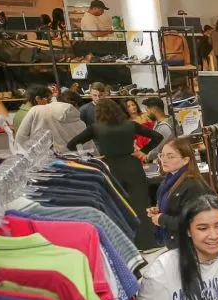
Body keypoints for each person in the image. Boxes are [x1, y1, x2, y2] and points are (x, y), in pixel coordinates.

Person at [66, 99, 161, 249]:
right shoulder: (130, 125)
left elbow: (71, 144)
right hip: (133, 167)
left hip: (110, 169)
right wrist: (143, 152)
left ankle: (125, 246)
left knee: (118, 208)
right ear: (118, 110)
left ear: (98, 113)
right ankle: (148, 243)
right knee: (141, 206)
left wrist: (91, 158)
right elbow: (157, 136)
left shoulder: (95, 128)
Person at [148, 136, 213, 248]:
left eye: (170, 156)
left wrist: (162, 219)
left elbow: (195, 222)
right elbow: (175, 207)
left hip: (193, 246)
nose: (164, 159)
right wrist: (159, 210)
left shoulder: (193, 186)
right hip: (177, 242)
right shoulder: (168, 181)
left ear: (185, 160)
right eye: (162, 155)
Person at [15, 87, 86, 152]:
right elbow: (87, 147)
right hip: (69, 161)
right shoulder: (79, 122)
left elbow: (20, 138)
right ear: (76, 105)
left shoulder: (36, 110)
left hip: (39, 158)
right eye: (48, 99)